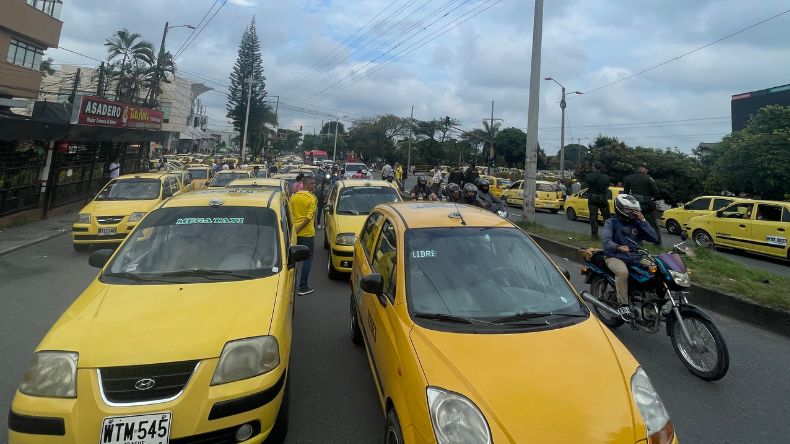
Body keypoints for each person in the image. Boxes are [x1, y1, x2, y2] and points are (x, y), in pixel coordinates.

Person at [602, 194, 659, 320]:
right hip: (614, 256)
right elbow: (606, 241)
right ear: (620, 209)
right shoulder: (611, 222)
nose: (633, 213)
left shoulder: (637, 223)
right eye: (629, 210)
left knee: (657, 268)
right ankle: (623, 305)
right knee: (622, 272)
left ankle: (652, 299)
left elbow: (654, 238)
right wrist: (618, 247)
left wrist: (643, 221)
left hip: (634, 256)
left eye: (635, 210)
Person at [291, 176, 318, 295]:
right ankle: (303, 287)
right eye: (313, 184)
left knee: (292, 260)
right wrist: (299, 229)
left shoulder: (294, 197)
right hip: (307, 234)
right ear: (307, 185)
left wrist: (294, 230)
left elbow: (290, 214)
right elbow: (309, 217)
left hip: (294, 233)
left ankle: (290, 286)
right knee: (307, 259)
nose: (314, 185)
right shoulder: (312, 199)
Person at [624, 163, 661, 246]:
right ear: (643, 169)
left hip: (635, 206)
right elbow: (657, 193)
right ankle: (657, 243)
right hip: (648, 205)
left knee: (634, 224)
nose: (647, 171)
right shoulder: (648, 179)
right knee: (653, 224)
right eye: (646, 169)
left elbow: (625, 194)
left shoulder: (628, 178)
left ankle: (638, 242)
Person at [583, 161, 611, 239]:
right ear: (600, 168)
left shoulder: (589, 176)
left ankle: (594, 235)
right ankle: (608, 235)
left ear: (593, 167)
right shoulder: (606, 177)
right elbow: (607, 187)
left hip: (592, 199)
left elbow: (586, 185)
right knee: (606, 217)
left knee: (593, 217)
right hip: (603, 199)